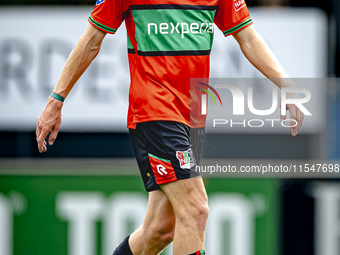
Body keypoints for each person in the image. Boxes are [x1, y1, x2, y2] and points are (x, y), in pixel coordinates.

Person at [36, 0, 304, 254]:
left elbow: (248, 37)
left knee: (159, 229)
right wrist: (56, 99)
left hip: (192, 118)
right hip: (155, 110)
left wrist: (286, 84)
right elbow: (91, 41)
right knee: (196, 209)